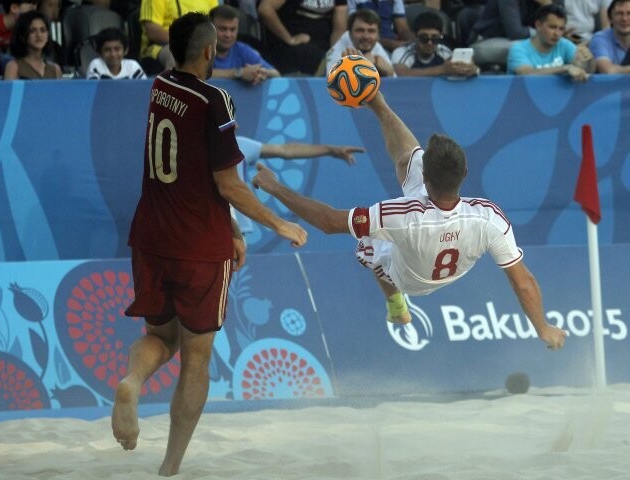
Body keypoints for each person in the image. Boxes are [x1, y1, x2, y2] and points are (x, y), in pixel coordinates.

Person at [111, 12, 307, 477]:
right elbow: (229, 185)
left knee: (160, 336)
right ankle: (170, 467)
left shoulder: (160, 86)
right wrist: (278, 224)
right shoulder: (215, 100)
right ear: (209, 51)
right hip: (199, 245)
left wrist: (234, 230)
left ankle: (131, 381)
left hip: (151, 236)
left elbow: (196, 173)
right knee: (197, 356)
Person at [252, 91, 567, 351]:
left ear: (428, 178)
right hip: (454, 264)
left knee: (366, 241)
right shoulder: (490, 216)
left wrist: (275, 187)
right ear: (466, 173)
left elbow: (329, 222)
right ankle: (375, 99)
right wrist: (542, 327)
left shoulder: (399, 214)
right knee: (408, 159)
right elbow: (522, 281)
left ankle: (396, 306)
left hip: (406, 277)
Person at [233, 135, 364, 234]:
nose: (236, 126)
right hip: (218, 229)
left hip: (240, 232)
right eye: (230, 121)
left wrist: (331, 150)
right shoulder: (217, 149)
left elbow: (285, 150)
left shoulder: (239, 144)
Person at [257, 0, 348, 75]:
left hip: (324, 48)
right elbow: (265, 10)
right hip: (290, 49)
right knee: (311, 54)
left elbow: (339, 28)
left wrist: (334, 54)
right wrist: (289, 39)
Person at [507, 4, 594, 81]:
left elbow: (587, 71)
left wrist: (588, 60)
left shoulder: (564, 44)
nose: (557, 33)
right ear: (538, 25)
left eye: (561, 29)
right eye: (552, 27)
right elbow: (526, 73)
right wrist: (565, 68)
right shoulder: (519, 49)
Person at [139, 0, 218, 71]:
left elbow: (216, 24)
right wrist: (189, 43)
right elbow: (152, 32)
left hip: (199, 44)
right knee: (175, 58)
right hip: (162, 46)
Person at [209, 4, 280, 84]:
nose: (228, 35)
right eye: (223, 29)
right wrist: (239, 73)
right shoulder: (200, 49)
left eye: (232, 30)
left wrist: (261, 72)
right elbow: (196, 74)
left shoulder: (241, 49)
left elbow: (276, 74)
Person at [392, 10, 477, 76]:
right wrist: (442, 69)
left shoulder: (443, 51)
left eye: (435, 38)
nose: (429, 43)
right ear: (415, 37)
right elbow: (400, 74)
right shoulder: (402, 52)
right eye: (424, 38)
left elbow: (453, 68)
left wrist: (467, 69)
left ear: (440, 36)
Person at [326, 9, 396, 76]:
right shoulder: (338, 50)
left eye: (371, 31)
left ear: (378, 35)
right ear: (349, 33)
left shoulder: (376, 45)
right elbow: (332, 83)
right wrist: (363, 66)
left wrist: (389, 72)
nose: (366, 36)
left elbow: (394, 81)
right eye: (360, 30)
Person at [3, 9, 61, 79]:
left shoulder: (55, 69)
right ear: (22, 36)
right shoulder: (13, 67)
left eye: (43, 30)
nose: (39, 35)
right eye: (32, 31)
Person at [347, 0, 413, 51]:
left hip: (394, 44)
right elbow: (354, 30)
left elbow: (402, 28)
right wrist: (390, 44)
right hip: (365, 43)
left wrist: (413, 43)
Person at [589, 0, 630, 73]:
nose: (625, 18)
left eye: (629, 13)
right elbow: (607, 71)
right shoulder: (600, 38)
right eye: (619, 14)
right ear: (610, 18)